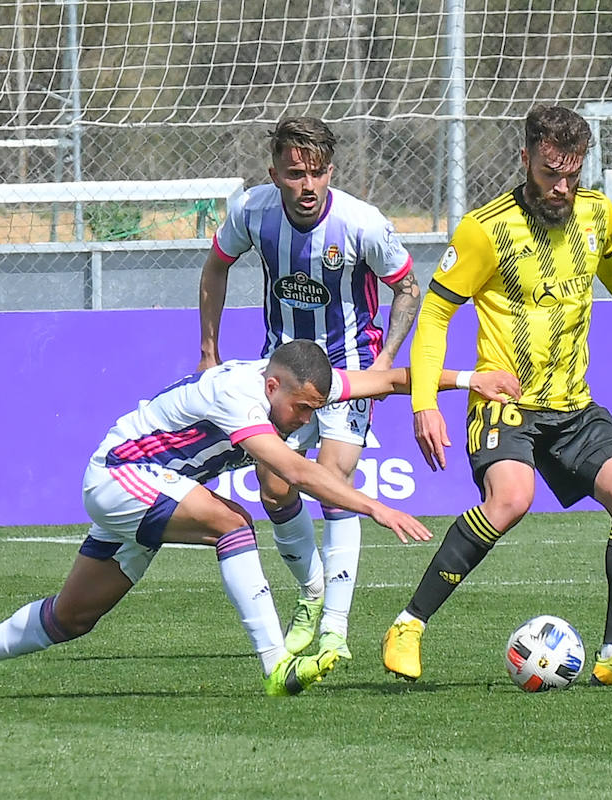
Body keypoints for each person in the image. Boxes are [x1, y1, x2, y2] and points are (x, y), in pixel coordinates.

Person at [0, 340, 520, 701]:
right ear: (273, 386)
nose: (305, 420)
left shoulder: (296, 387)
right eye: (301, 408)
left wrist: (470, 379)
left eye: (314, 409)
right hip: (120, 474)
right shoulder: (238, 394)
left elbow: (389, 379)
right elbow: (294, 470)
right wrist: (376, 507)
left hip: (153, 487)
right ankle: (277, 665)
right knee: (233, 523)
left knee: (71, 618)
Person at [380, 105, 612, 687]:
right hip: (506, 403)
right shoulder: (484, 230)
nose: (562, 187)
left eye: (572, 174)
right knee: (512, 498)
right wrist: (424, 403)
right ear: (525, 160)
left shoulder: (596, 214)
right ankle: (408, 625)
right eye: (550, 174)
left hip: (573, 405)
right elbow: (436, 316)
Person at [198, 116, 423, 663]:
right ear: (274, 172)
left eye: (317, 173)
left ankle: (335, 630)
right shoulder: (253, 212)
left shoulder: (361, 223)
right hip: (284, 370)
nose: (307, 185)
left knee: (332, 481)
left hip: (350, 364)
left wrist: (384, 363)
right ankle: (312, 593)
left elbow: (408, 288)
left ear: (331, 172)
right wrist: (209, 349)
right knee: (274, 489)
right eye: (295, 173)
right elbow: (215, 267)